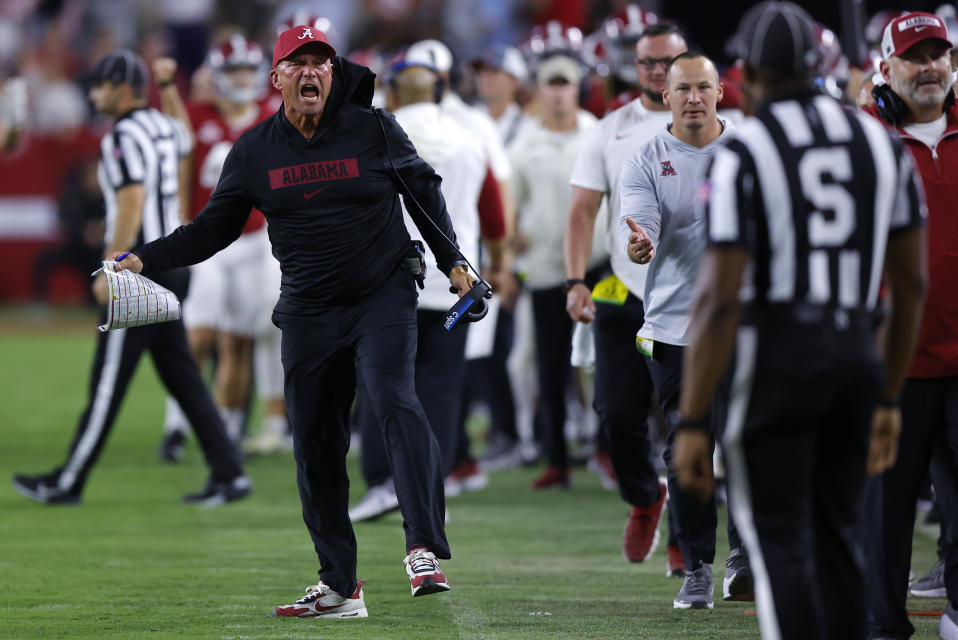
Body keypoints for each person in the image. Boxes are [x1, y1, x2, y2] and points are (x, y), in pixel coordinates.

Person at [111, 26, 474, 617]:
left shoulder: (374, 128)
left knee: (393, 398)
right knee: (313, 441)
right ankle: (340, 586)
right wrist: (145, 257)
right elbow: (211, 229)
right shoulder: (255, 150)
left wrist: (454, 261)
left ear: (333, 74)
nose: (311, 73)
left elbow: (423, 193)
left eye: (321, 64)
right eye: (298, 64)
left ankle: (423, 545)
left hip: (382, 293)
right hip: (308, 308)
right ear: (277, 78)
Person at [671, 3, 927, 638]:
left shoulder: (745, 150)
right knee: (841, 537)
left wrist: (694, 417)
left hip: (777, 357)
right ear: (818, 65)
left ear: (746, 72)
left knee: (778, 538)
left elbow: (720, 298)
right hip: (857, 354)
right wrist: (890, 395)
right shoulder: (879, 140)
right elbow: (912, 284)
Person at [11, 49, 251, 507]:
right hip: (175, 261)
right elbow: (184, 137)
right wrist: (167, 91)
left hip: (141, 268)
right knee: (183, 376)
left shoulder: (122, 133)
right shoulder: (163, 125)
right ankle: (230, 473)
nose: (93, 94)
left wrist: (110, 265)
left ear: (120, 89)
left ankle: (68, 480)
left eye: (99, 86)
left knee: (108, 380)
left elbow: (132, 201)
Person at [618, 51, 748, 609]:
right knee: (686, 452)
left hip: (745, 322)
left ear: (720, 90)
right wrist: (639, 243)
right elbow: (640, 225)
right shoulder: (645, 157)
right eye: (682, 89)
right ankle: (696, 565)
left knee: (746, 444)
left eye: (702, 87)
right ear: (664, 95)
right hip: (675, 326)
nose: (693, 98)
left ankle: (743, 559)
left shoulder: (750, 149)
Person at [349, 59, 506, 521]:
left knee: (382, 385)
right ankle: (429, 489)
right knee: (440, 390)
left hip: (388, 286)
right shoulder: (470, 140)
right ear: (436, 93)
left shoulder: (374, 135)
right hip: (455, 291)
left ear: (393, 93)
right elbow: (494, 213)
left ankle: (382, 483)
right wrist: (497, 264)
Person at [565, 22, 684, 569]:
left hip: (691, 297)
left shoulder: (713, 125)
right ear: (632, 66)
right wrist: (575, 281)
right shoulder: (610, 128)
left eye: (668, 61)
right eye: (648, 63)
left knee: (689, 423)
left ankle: (690, 538)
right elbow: (583, 210)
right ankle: (645, 497)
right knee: (616, 412)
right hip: (624, 289)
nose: (657, 71)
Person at [858, 11, 958, 640]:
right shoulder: (859, 138)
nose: (929, 67)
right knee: (886, 510)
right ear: (886, 68)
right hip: (888, 356)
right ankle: (881, 624)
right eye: (914, 56)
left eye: (938, 55)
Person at [153, 36, 287, 459]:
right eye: (234, 71)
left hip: (253, 239)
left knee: (239, 340)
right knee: (199, 337)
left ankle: (227, 429)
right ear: (218, 76)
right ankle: (176, 425)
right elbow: (176, 137)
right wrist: (170, 88)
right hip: (207, 242)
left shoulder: (272, 117)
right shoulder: (197, 116)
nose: (243, 79)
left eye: (249, 70)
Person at [508, 54, 607, 489]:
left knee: (608, 360)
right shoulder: (525, 143)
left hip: (601, 264)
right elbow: (511, 201)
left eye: (565, 83)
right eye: (551, 83)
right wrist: (511, 239)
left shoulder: (597, 135)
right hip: (547, 268)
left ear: (577, 88)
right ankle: (558, 459)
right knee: (550, 365)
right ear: (540, 90)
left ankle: (607, 450)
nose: (558, 91)